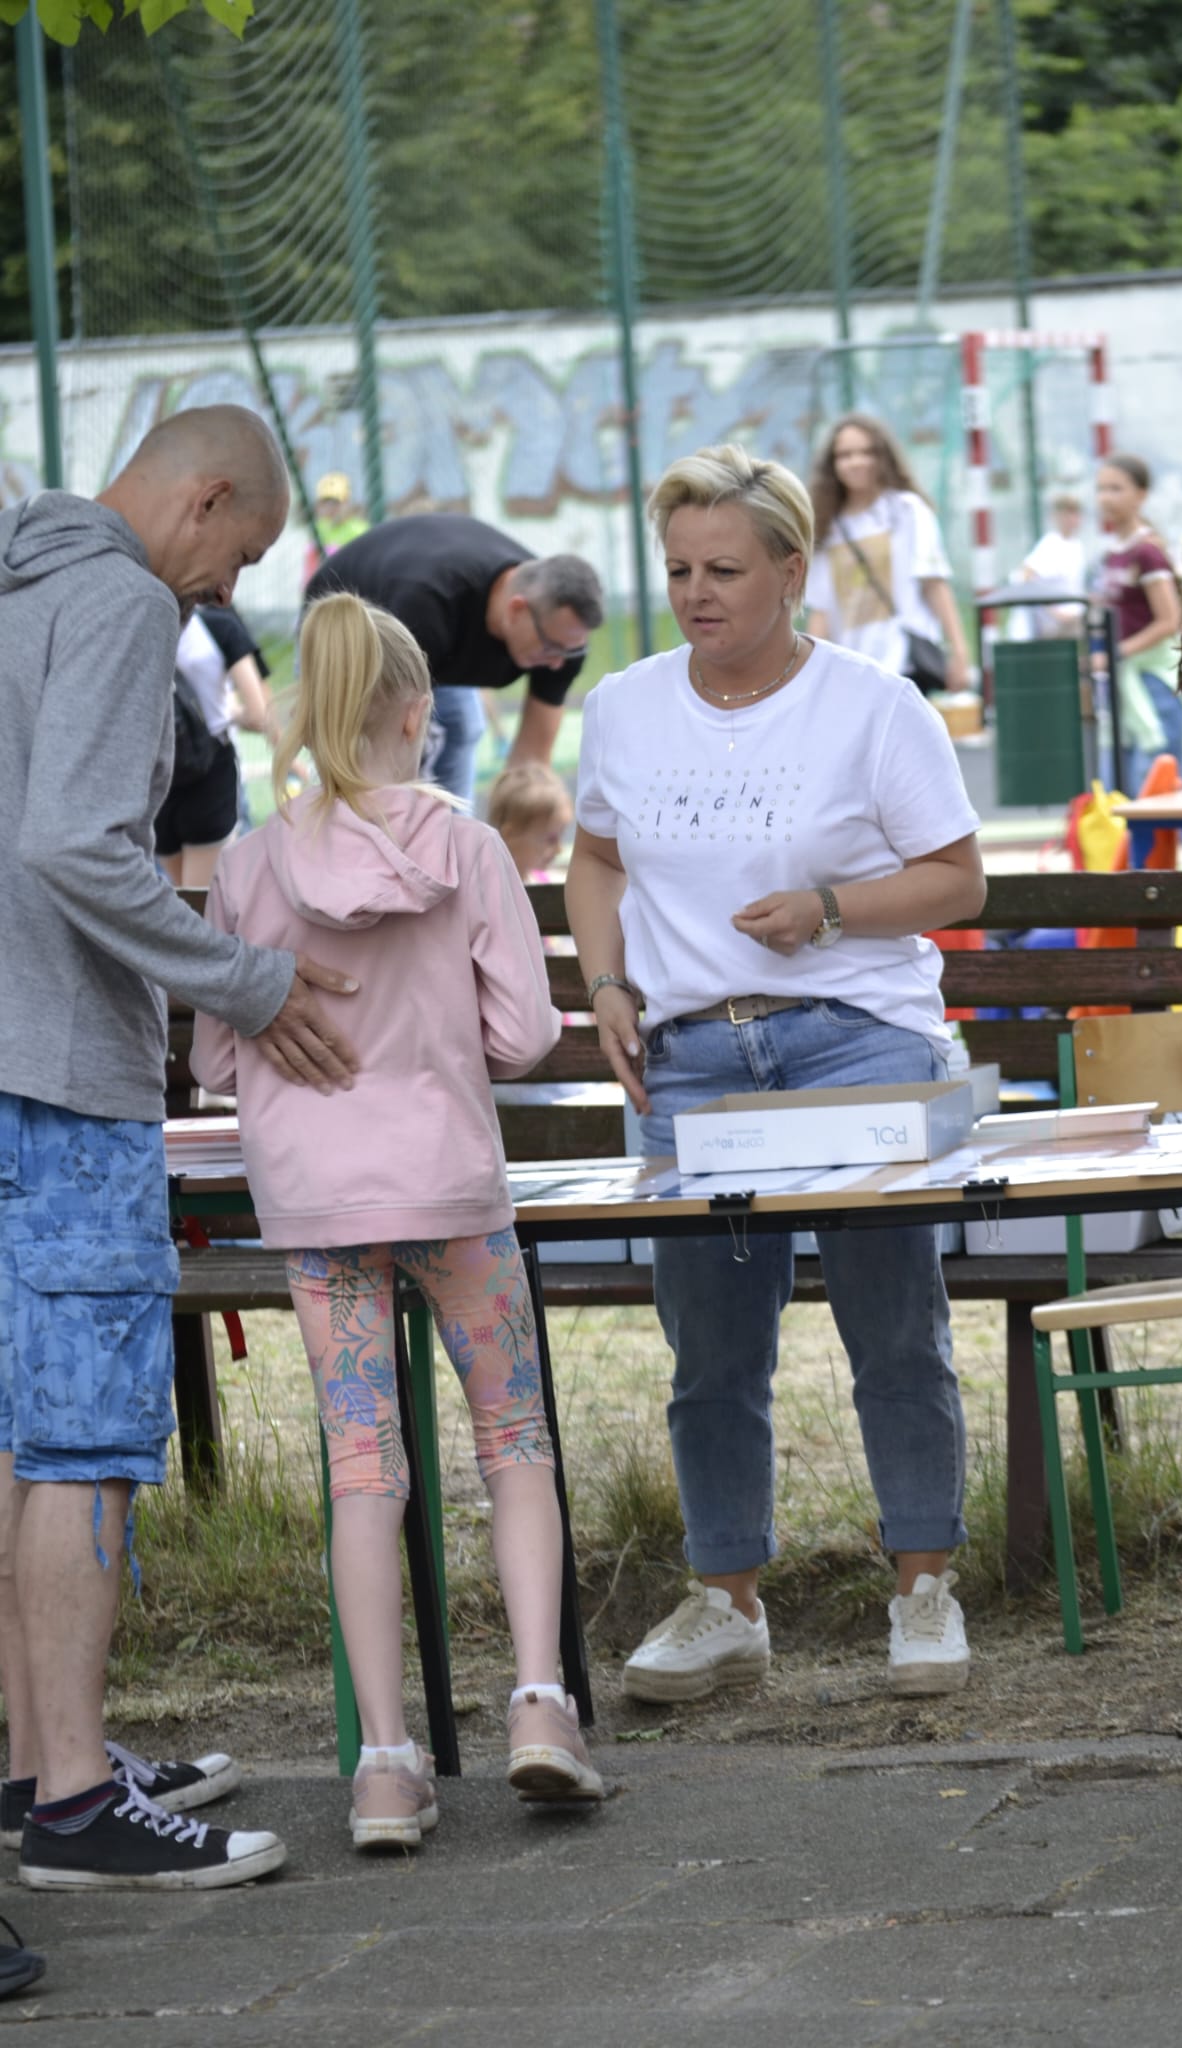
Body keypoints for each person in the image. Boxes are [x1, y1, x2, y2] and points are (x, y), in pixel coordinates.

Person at [0, 403, 364, 1894]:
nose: (227, 588)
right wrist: (246, 980)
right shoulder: (117, 596)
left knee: (16, 1438)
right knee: (85, 1441)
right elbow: (76, 843)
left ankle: (40, 1760)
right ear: (204, 497)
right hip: (57, 1076)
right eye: (244, 554)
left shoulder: (18, 577)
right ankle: (77, 1805)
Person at [566, 443, 986, 1702]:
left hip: (859, 1036)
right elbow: (596, 858)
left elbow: (959, 878)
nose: (697, 593)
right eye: (679, 570)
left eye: (726, 570)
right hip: (693, 1056)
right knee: (710, 1346)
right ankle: (728, 1599)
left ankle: (923, 1588)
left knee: (894, 1324)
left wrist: (830, 907)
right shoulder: (626, 704)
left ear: (792, 571)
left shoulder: (874, 704)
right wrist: (606, 984)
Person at [192, 592, 603, 1846]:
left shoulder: (248, 866)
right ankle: (541, 1703)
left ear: (305, 711)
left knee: (363, 1466)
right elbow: (523, 1035)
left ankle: (381, 1763)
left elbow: (215, 1056)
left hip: (318, 1206)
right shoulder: (467, 847)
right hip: (453, 1192)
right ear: (420, 711)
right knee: (513, 1440)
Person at [305, 513, 605, 806]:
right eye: (551, 647)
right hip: (348, 625)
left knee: (462, 726)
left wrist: (517, 829)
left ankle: (454, 827)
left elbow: (530, 765)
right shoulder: (426, 606)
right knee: (371, 764)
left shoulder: (563, 637)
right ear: (516, 610)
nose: (557, 663)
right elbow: (382, 742)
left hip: (438, 643)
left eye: (570, 651)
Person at [805, 412, 971, 693]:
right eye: (845, 455)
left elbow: (934, 584)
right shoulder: (825, 527)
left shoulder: (906, 510)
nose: (856, 462)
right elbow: (822, 610)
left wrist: (959, 652)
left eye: (866, 452)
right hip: (853, 671)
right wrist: (810, 674)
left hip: (903, 664)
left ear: (883, 457)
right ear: (832, 464)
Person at [155, 603, 280, 883]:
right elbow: (259, 715)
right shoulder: (218, 626)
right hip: (211, 773)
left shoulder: (139, 627)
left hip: (157, 777)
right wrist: (228, 712)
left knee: (174, 892)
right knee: (203, 898)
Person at [1093, 453, 1182, 793]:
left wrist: (1116, 652)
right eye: (1101, 489)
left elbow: (1169, 619)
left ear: (1141, 495)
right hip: (1122, 683)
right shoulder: (1111, 553)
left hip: (1151, 681)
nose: (1106, 498)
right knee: (1118, 788)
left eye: (1116, 489)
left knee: (1155, 788)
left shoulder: (1147, 552)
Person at [1007, 490, 1087, 639]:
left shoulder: (1077, 546)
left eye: (1075, 513)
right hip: (1054, 628)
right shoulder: (1051, 544)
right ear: (1057, 516)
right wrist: (1055, 613)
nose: (1072, 519)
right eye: (1067, 513)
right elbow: (1027, 577)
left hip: (1074, 620)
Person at [487, 760, 574, 884]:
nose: (559, 849)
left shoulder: (542, 881)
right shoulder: (490, 886)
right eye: (551, 839)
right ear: (509, 835)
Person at [300, 470, 368, 588]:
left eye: (336, 502)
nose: (330, 508)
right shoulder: (319, 527)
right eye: (325, 502)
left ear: (347, 503)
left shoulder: (359, 530)